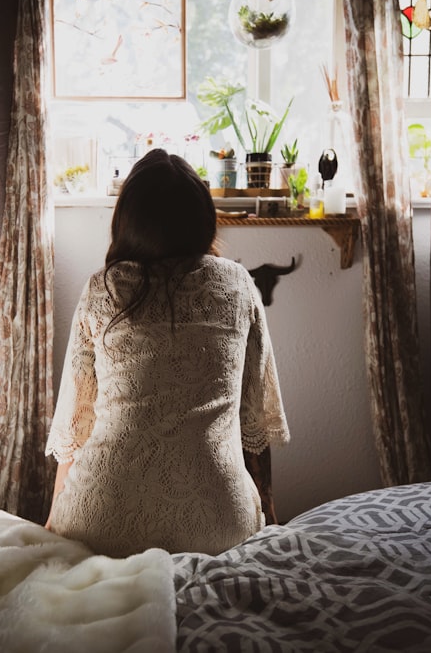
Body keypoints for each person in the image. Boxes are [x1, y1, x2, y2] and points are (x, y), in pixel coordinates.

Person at [44, 149, 290, 557]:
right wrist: (269, 513)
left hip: (103, 518)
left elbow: (76, 427)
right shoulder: (238, 285)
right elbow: (254, 426)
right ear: (202, 217)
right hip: (218, 521)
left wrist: (52, 522)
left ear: (128, 223)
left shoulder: (103, 288)